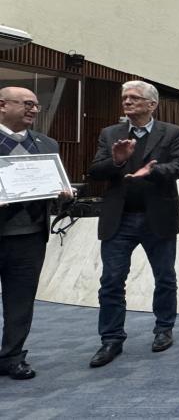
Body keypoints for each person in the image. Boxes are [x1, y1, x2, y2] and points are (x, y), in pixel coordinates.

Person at [87, 80, 179, 367]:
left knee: (165, 277)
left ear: (151, 104)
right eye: (125, 97)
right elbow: (95, 170)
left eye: (134, 98)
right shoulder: (111, 134)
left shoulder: (172, 132)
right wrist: (118, 162)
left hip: (158, 217)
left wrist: (152, 171)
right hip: (119, 219)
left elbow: (178, 167)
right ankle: (111, 339)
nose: (127, 102)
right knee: (111, 281)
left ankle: (164, 329)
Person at [0, 87, 68, 380]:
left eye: (37, 106)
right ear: (2, 105)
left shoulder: (47, 143)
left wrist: (65, 196)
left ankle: (12, 357)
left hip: (29, 237)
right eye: (27, 104)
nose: (33, 110)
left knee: (20, 301)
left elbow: (54, 191)